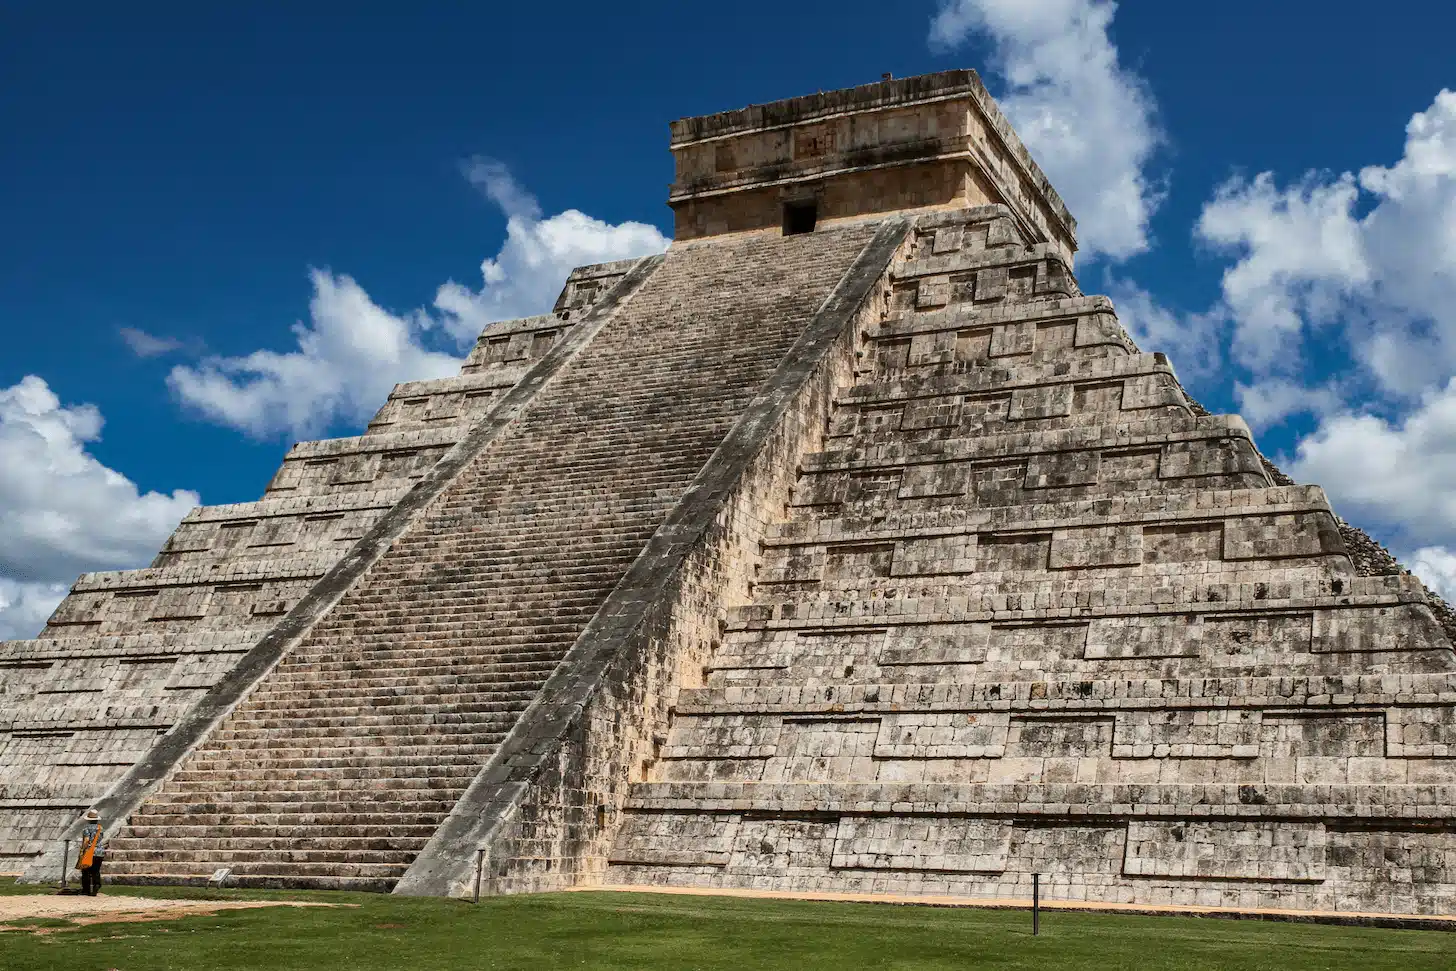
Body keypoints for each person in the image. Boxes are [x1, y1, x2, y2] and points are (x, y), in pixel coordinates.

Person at [76, 809, 105, 896]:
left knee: (86, 871)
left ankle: (87, 889)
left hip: (89, 852)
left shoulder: (86, 829)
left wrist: (82, 850)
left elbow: (86, 840)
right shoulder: (101, 828)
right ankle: (96, 886)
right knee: (96, 871)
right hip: (99, 851)